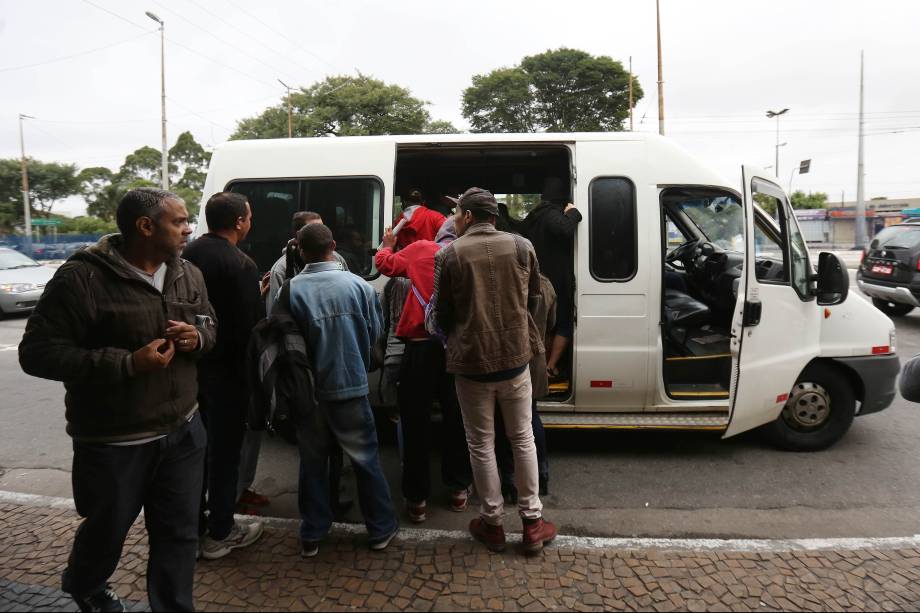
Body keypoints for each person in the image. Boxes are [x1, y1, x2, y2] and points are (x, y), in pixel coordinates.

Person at [19, 187, 217, 612]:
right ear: (145, 227)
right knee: (108, 529)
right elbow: (36, 354)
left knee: (180, 532)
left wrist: (197, 337)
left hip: (184, 429)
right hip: (115, 440)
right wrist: (128, 363)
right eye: (179, 221)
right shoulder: (81, 278)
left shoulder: (188, 273)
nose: (188, 229)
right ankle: (85, 584)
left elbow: (209, 325)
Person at [429, 187, 557, 555]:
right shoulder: (522, 246)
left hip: (471, 364)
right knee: (522, 438)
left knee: (480, 443)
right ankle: (533, 523)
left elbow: (441, 315)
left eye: (456, 213)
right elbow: (535, 296)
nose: (454, 219)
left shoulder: (449, 254)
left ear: (468, 217)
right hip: (516, 360)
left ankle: (492, 522)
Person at [277, 222, 398, 557]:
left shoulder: (289, 290)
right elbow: (376, 334)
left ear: (301, 250)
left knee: (313, 463)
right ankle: (380, 530)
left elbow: (282, 343)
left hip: (309, 393)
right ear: (333, 245)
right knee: (366, 461)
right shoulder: (359, 286)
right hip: (351, 386)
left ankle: (313, 533)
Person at [183, 192, 265, 560]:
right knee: (225, 454)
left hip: (190, 371)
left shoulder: (187, 256)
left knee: (194, 453)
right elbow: (248, 329)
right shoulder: (241, 264)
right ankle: (220, 531)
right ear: (238, 222)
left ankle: (192, 527)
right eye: (249, 217)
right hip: (228, 374)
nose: (250, 223)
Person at [375, 217, 472, 523]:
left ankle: (417, 500)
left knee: (415, 422)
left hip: (418, 349)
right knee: (458, 420)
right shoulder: (468, 253)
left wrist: (388, 244)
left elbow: (385, 265)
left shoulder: (420, 249)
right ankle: (458, 490)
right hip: (455, 351)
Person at [496, 272, 556, 500]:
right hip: (536, 358)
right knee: (531, 416)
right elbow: (551, 323)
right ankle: (542, 474)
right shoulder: (546, 284)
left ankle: (510, 481)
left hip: (512, 357)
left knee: (504, 421)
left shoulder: (507, 282)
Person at [521, 177, 582, 379]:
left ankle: (542, 365)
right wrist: (573, 213)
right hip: (557, 281)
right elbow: (565, 230)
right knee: (563, 323)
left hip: (539, 278)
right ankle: (550, 367)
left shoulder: (535, 215)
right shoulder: (552, 215)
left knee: (546, 324)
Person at [265, 211, 348, 315]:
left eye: (322, 228)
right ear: (299, 234)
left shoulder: (337, 258)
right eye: (314, 228)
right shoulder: (281, 269)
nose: (321, 232)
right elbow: (275, 315)